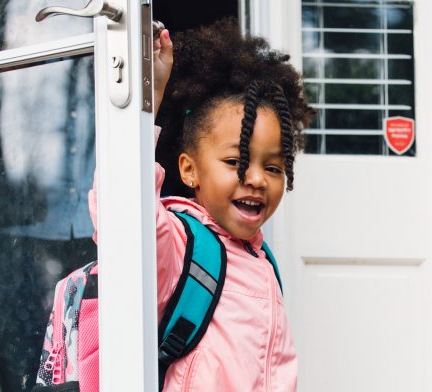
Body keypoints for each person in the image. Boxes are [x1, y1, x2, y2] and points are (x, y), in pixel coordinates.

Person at [89, 19, 314, 391]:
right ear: (190, 170)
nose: (257, 179)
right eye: (235, 162)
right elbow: (122, 207)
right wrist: (150, 97)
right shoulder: (181, 246)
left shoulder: (264, 263)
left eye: (273, 167)